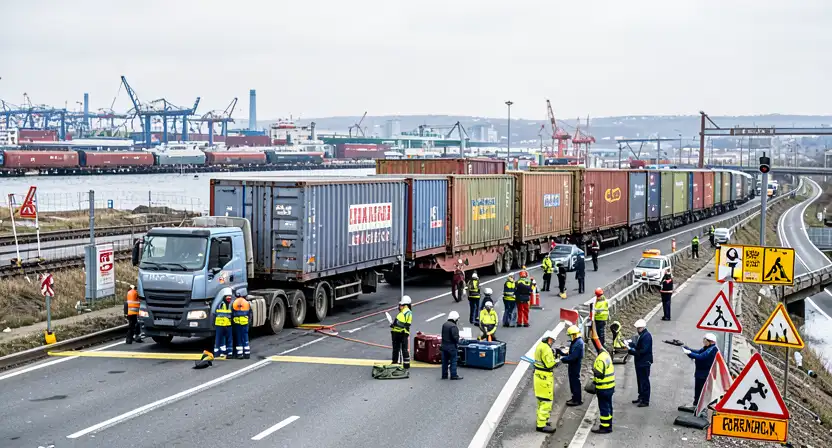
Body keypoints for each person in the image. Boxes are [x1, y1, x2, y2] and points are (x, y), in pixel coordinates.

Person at [683, 333, 719, 407]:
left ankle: (699, 406)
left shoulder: (712, 349)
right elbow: (698, 352)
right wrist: (688, 349)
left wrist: (689, 353)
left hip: (704, 374)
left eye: (705, 340)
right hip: (700, 372)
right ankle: (696, 404)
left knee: (700, 390)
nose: (704, 342)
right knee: (698, 390)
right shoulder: (707, 348)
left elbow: (701, 357)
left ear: (710, 341)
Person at [534, 331, 559, 434]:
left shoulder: (540, 346)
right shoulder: (546, 349)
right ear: (548, 339)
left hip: (538, 375)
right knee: (546, 401)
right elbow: (549, 364)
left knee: (541, 401)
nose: (552, 342)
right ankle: (541, 425)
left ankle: (542, 420)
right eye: (551, 340)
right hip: (545, 377)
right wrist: (558, 361)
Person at [591, 338, 616, 434]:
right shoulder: (607, 356)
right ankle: (609, 424)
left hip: (603, 387)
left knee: (604, 407)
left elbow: (600, 374)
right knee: (608, 406)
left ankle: (605, 427)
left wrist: (594, 370)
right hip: (610, 386)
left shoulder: (600, 358)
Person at [556, 325, 585, 406]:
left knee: (575, 383)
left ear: (574, 334)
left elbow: (573, 357)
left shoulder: (578, 343)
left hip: (575, 365)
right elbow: (571, 353)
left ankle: (577, 400)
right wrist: (562, 353)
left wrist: (562, 359)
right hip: (573, 365)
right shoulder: (576, 341)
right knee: (573, 382)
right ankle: (574, 398)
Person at [628, 319, 653, 407]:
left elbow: (643, 351)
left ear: (642, 327)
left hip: (644, 362)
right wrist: (632, 345)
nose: (637, 330)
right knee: (640, 380)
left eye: (638, 328)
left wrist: (632, 351)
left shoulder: (646, 336)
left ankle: (645, 400)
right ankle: (641, 397)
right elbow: (639, 347)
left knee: (644, 381)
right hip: (640, 362)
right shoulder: (642, 335)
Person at [391, 296, 413, 369]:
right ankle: (406, 365)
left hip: (400, 333)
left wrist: (395, 324)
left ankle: (395, 363)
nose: (399, 306)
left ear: (404, 305)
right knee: (403, 349)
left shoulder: (405, 312)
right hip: (402, 333)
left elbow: (405, 324)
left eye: (400, 305)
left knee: (397, 349)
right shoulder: (406, 312)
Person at [441, 310, 463, 380]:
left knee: (445, 362)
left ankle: (444, 375)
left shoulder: (444, 325)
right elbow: (455, 337)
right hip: (451, 347)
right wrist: (458, 340)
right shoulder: (453, 326)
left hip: (444, 346)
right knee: (453, 361)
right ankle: (453, 375)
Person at [213, 294, 234, 359]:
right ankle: (219, 353)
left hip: (225, 324)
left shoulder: (224, 304)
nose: (229, 300)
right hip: (222, 324)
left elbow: (215, 313)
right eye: (228, 299)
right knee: (221, 339)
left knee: (223, 339)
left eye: (230, 299)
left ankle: (223, 352)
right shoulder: (222, 305)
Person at [232, 295, 251, 359]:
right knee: (245, 338)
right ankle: (247, 354)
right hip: (244, 323)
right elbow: (249, 313)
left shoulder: (235, 302)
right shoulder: (246, 303)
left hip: (237, 324)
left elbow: (233, 313)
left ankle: (240, 354)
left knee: (239, 339)